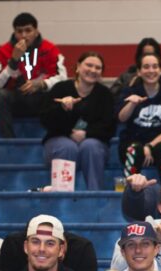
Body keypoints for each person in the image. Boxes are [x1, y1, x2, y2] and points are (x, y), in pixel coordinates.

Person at [41, 51, 115, 191]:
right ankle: (62, 197)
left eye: (97, 68)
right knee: (67, 147)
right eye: (89, 65)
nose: (93, 70)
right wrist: (62, 109)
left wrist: (86, 134)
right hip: (59, 140)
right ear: (78, 67)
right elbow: (46, 120)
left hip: (92, 141)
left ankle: (95, 197)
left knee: (91, 147)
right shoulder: (60, 88)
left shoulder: (105, 95)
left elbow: (109, 127)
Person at [0, 12, 65, 138]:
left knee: (61, 93)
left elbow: (62, 78)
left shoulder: (50, 49)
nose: (24, 35)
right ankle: (8, 142)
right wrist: (13, 61)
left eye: (28, 30)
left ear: (36, 31)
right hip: (18, 98)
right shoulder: (5, 50)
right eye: (19, 31)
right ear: (14, 33)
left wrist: (41, 84)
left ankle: (56, 137)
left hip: (41, 99)